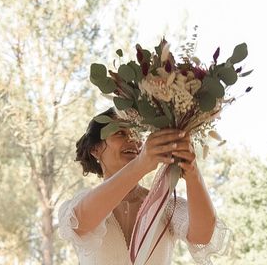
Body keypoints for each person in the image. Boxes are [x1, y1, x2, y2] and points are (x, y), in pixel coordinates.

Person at [58, 108, 230, 264]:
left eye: (136, 135)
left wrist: (192, 172)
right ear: (95, 149)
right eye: (120, 133)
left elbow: (202, 236)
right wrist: (142, 165)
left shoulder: (166, 205)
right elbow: (81, 222)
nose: (133, 140)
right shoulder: (81, 205)